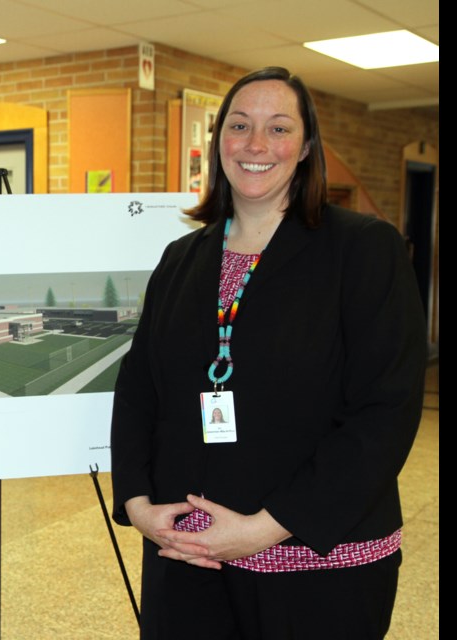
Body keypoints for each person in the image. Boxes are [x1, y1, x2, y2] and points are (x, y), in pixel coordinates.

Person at [111, 67, 425, 639]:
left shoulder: (361, 250)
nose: (256, 145)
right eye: (239, 126)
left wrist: (266, 528)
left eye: (278, 129)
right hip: (191, 557)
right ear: (219, 143)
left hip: (319, 568)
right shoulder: (180, 259)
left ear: (305, 147)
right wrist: (136, 502)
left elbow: (386, 411)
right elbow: (139, 390)